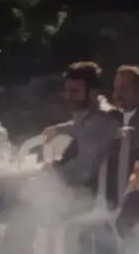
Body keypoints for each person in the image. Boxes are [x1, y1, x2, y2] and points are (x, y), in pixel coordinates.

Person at [42, 61, 122, 192]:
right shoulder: (94, 110)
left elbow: (82, 170)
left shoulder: (102, 120)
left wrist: (49, 173)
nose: (68, 96)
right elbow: (80, 126)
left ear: (92, 92)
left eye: (74, 91)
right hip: (87, 189)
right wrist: (58, 129)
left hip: (94, 196)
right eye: (67, 90)